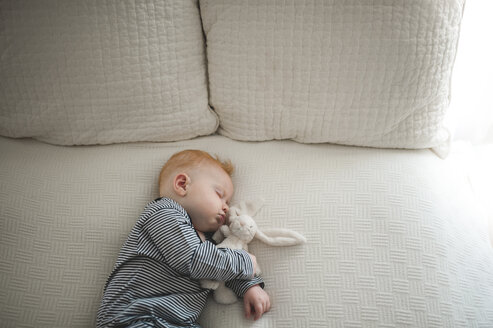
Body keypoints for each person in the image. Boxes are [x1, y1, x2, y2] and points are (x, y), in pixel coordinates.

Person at [97, 150, 270, 327]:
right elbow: (196, 260)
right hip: (134, 318)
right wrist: (246, 263)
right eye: (219, 194)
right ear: (182, 184)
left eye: (228, 202)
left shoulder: (207, 241)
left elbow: (218, 268)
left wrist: (249, 286)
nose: (226, 208)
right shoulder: (164, 214)